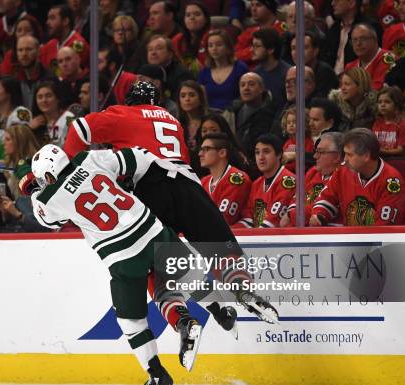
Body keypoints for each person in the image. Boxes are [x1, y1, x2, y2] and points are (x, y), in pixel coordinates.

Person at [60, 81, 277, 327]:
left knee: (158, 266)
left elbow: (80, 127)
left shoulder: (124, 113)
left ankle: (181, 320)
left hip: (150, 190)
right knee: (219, 248)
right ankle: (243, 290)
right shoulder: (171, 120)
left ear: (131, 100)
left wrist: (68, 169)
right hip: (189, 186)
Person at [30, 143, 202, 385]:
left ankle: (157, 374)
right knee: (174, 284)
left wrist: (33, 190)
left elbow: (47, 219)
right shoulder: (89, 158)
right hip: (151, 230)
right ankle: (187, 320)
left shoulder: (49, 197)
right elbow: (135, 158)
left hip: (123, 256)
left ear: (48, 176)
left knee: (131, 320)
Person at [310, 128, 404, 226]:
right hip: (348, 237)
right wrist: (319, 215)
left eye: (349, 155)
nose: (345, 159)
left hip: (376, 239)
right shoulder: (342, 171)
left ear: (366, 156)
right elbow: (326, 199)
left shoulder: (392, 182)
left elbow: (384, 228)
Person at [281, 132, 345, 227]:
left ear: (337, 157)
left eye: (320, 152)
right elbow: (297, 199)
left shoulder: (343, 177)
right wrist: (292, 213)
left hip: (331, 234)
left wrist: (292, 215)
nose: (315, 156)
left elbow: (320, 214)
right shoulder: (313, 172)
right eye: (315, 151)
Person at [236, 134, 296, 228]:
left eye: (266, 152)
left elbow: (274, 220)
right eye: (257, 152)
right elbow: (249, 218)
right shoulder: (257, 184)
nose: (261, 157)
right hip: (259, 237)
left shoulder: (289, 181)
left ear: (279, 154)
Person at [0, 125, 46, 232]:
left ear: (19, 142)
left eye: (8, 139)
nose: (4, 143)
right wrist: (7, 209)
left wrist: (17, 213)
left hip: (36, 227)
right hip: (20, 224)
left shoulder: (35, 167)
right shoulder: (12, 167)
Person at [199, 133, 252, 226]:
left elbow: (224, 219)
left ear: (222, 153)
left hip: (237, 236)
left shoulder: (237, 178)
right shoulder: (204, 181)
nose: (200, 154)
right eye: (201, 149)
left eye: (206, 149)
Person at [223, 73, 276, 160]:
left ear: (261, 88)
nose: (246, 88)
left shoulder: (271, 113)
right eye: (242, 85)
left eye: (251, 84)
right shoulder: (231, 112)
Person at [197, 30, 249, 112]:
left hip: (235, 113)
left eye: (219, 45)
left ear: (228, 47)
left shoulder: (240, 68)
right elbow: (202, 100)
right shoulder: (204, 72)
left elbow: (246, 95)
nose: (214, 48)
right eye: (210, 46)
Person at [345, 23, 396, 90]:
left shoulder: (388, 58)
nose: (358, 43)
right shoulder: (350, 67)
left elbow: (377, 89)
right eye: (354, 40)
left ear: (375, 40)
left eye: (363, 39)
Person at [41, 4, 90, 73]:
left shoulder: (78, 44)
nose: (47, 22)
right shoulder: (49, 45)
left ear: (65, 21)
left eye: (52, 18)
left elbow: (68, 73)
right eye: (48, 18)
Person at [145, 35, 195, 101]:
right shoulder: (144, 74)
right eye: (150, 49)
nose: (153, 53)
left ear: (170, 54)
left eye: (159, 48)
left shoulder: (182, 74)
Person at [252, 28, 291, 111]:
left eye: (257, 46)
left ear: (271, 49)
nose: (252, 50)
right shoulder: (255, 74)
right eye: (253, 46)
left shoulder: (288, 73)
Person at [29, 81, 75, 147]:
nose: (44, 100)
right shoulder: (36, 125)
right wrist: (29, 129)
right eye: (40, 97)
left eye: (48, 96)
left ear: (57, 98)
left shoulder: (69, 118)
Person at [171, 1, 211, 77]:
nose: (192, 17)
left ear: (206, 19)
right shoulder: (177, 40)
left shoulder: (213, 37)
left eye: (197, 14)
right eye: (188, 15)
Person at [177, 80, 209, 154]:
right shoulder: (176, 124)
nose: (187, 99)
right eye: (183, 96)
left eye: (192, 95)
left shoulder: (210, 121)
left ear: (200, 99)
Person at [372, 85, 405, 157]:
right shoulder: (377, 123)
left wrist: (381, 151)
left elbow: (401, 150)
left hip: (396, 161)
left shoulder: (402, 125)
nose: (382, 105)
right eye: (380, 102)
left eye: (387, 102)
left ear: (396, 105)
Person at [280, 107, 314, 173]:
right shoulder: (287, 143)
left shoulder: (308, 142)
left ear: (305, 124)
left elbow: (307, 162)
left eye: (295, 122)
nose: (291, 125)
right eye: (288, 122)